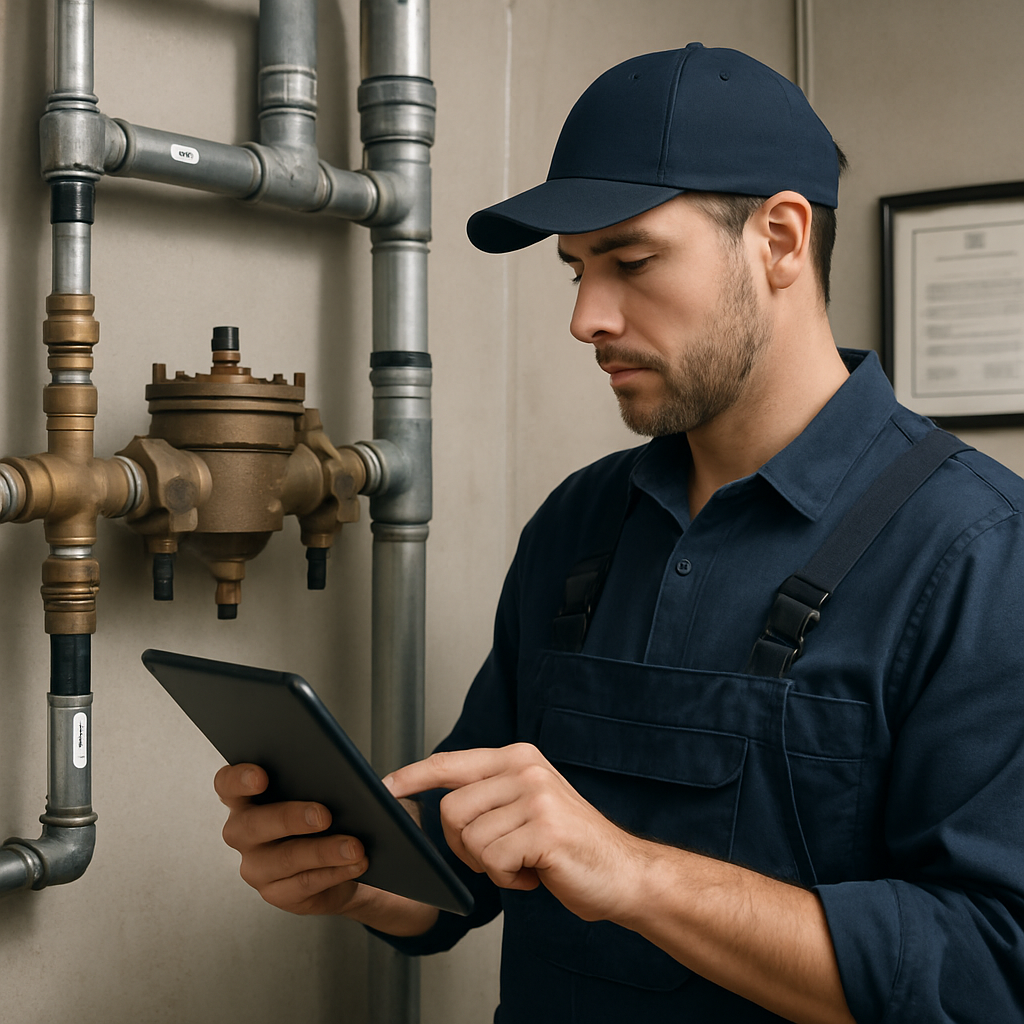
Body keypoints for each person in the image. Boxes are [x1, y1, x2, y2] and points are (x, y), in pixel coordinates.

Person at [215, 44, 1024, 1023]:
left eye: (631, 261)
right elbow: (471, 859)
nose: (588, 318)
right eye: (576, 272)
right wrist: (359, 873)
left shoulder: (977, 549)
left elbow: (988, 967)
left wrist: (637, 874)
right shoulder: (579, 523)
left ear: (778, 239)